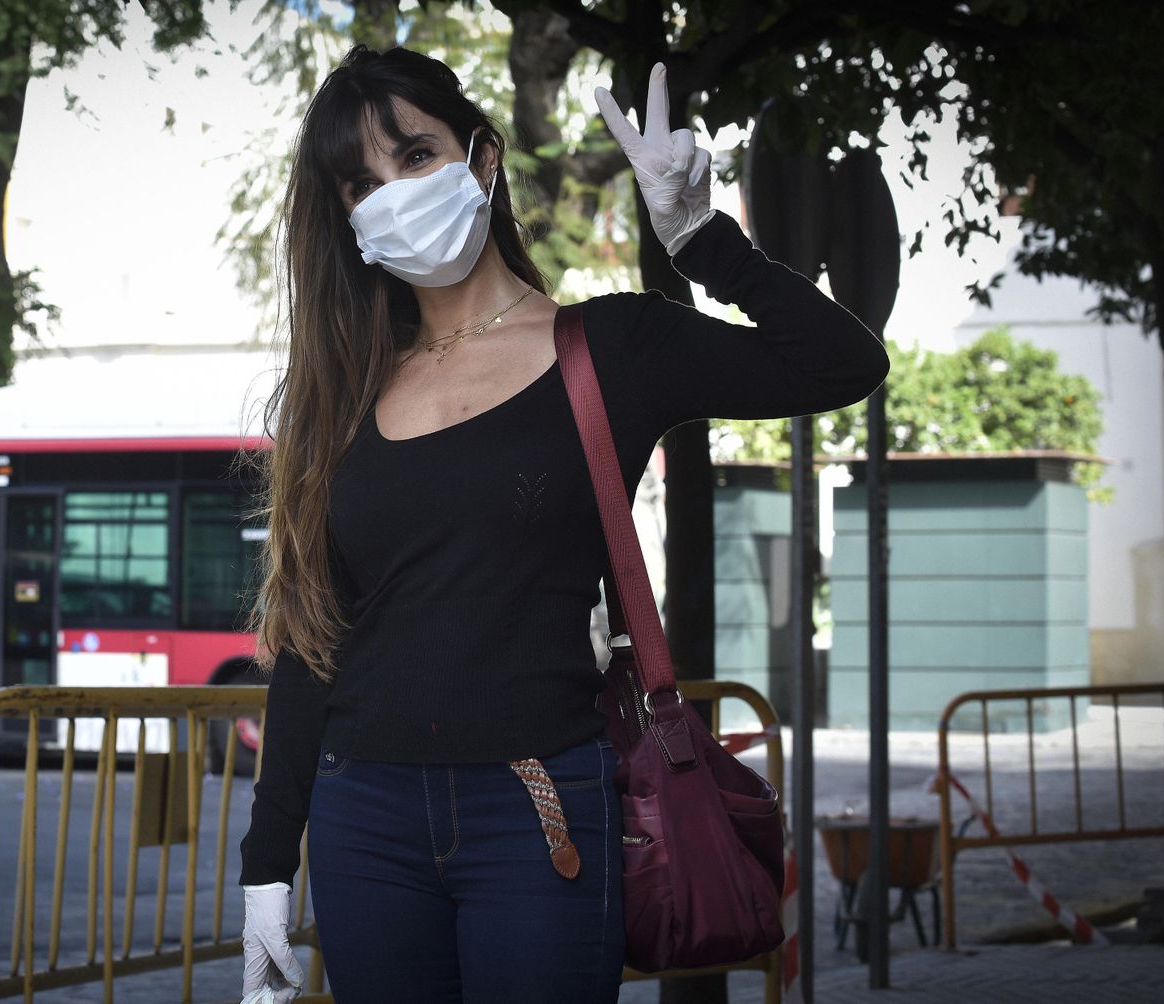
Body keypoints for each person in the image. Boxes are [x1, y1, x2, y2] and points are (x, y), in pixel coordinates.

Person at [236, 46, 889, 1004]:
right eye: (358, 184)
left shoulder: (616, 347)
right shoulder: (338, 390)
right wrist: (265, 866)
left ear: (483, 158)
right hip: (362, 818)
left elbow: (842, 366)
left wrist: (704, 240)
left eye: (414, 157)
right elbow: (310, 639)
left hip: (538, 812)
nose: (391, 195)